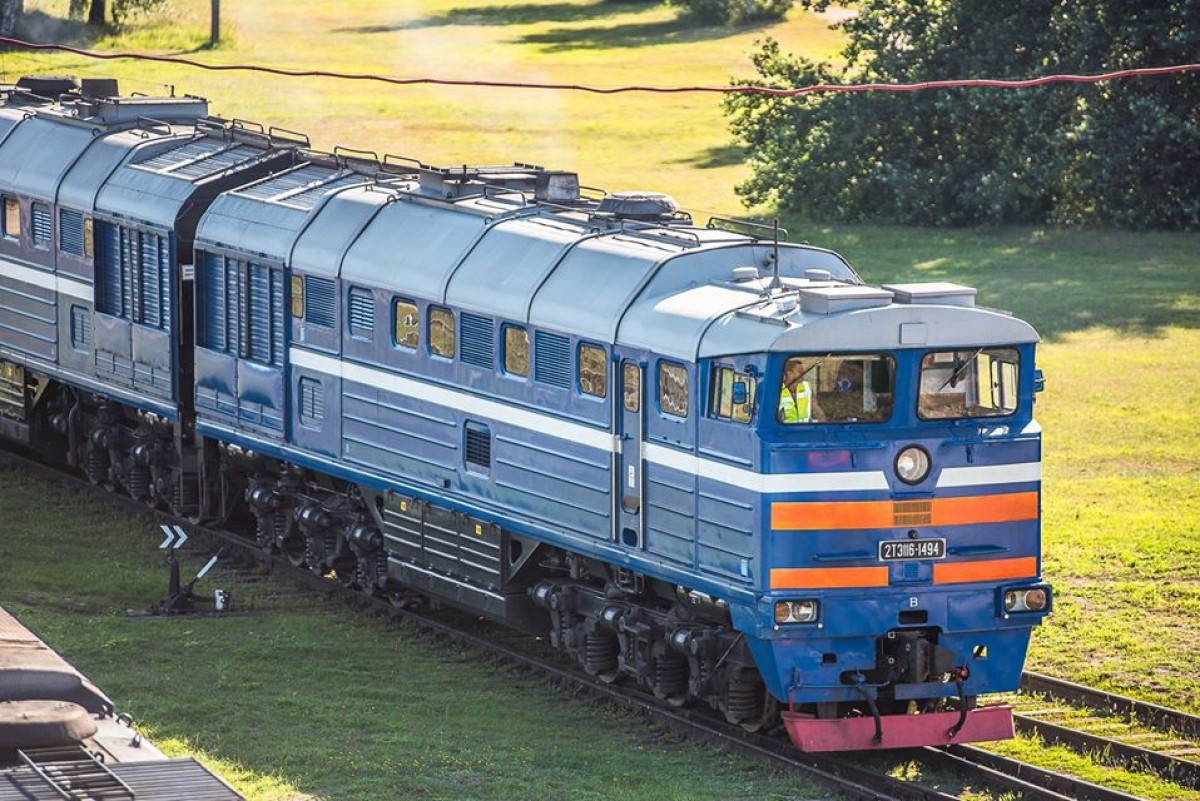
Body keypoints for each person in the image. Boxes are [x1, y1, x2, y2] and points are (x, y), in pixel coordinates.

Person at [778, 358, 822, 423]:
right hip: (786, 429)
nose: (803, 373)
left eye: (803, 371)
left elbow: (816, 410)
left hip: (804, 428)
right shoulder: (777, 390)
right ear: (789, 373)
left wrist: (826, 425)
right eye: (800, 371)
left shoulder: (807, 387)